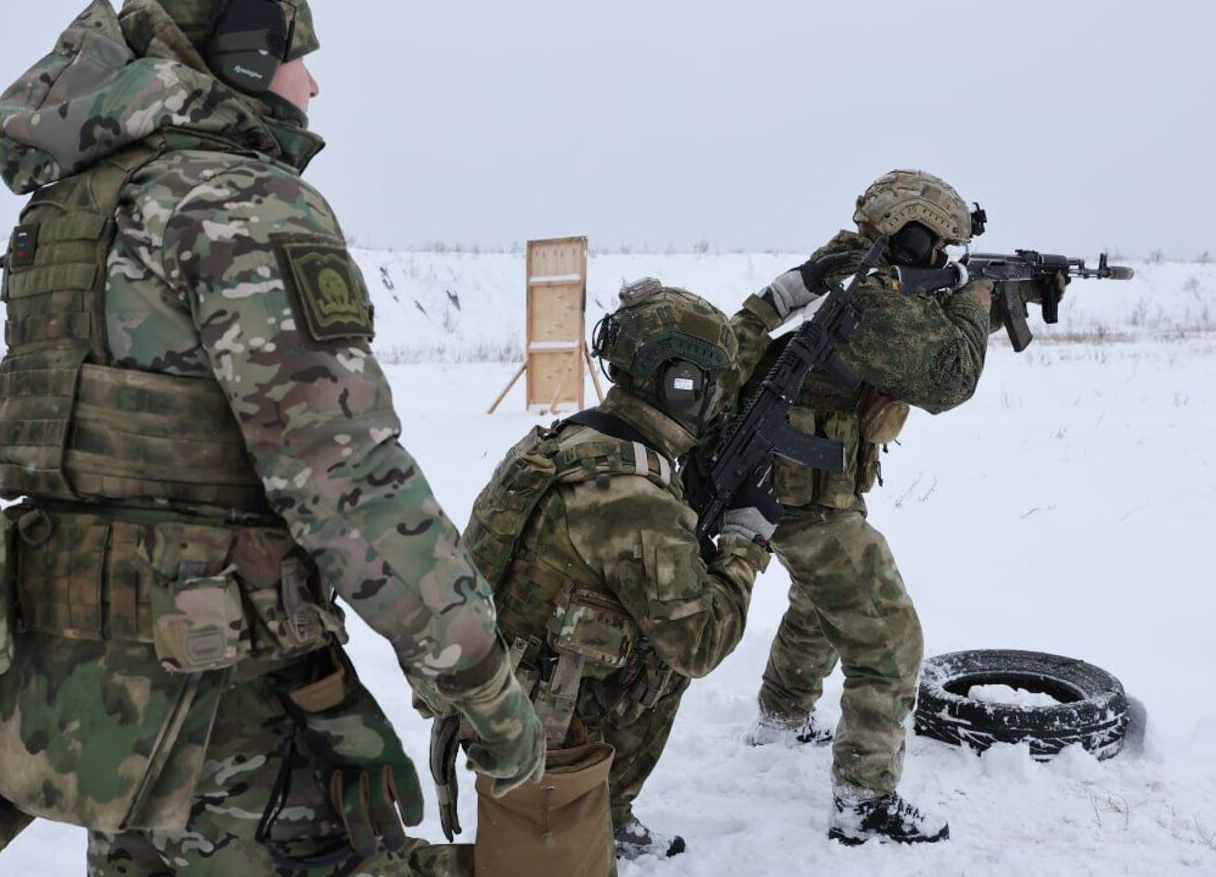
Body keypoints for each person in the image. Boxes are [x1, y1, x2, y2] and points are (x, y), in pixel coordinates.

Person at [0, 0, 542, 876]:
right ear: (243, 51)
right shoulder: (237, 201)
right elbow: (351, 488)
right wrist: (486, 686)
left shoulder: (67, 213)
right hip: (228, 714)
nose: (312, 86)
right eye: (297, 56)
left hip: (94, 712)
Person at [738, 169, 1062, 845]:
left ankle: (781, 715)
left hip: (800, 478)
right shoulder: (874, 298)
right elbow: (948, 377)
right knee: (888, 636)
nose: (941, 259)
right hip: (805, 486)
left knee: (824, 600)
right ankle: (863, 800)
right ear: (906, 234)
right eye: (935, 245)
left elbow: (927, 335)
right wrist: (977, 296)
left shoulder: (855, 264)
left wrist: (1000, 297)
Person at [452, 278, 790, 868]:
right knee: (670, 656)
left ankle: (602, 809)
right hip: (538, 724)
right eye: (705, 385)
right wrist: (744, 542)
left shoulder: (572, 438)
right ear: (676, 383)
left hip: (495, 677)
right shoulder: (634, 497)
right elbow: (701, 643)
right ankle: (592, 814)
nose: (715, 401)